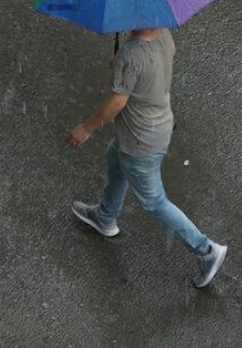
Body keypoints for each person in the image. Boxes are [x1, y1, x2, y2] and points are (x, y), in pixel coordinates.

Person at [66, 28, 227, 288]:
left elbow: (118, 102)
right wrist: (123, 66)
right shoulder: (163, 34)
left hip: (141, 139)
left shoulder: (130, 54)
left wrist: (86, 128)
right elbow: (161, 63)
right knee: (116, 159)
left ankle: (206, 250)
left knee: (154, 201)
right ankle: (105, 217)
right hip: (156, 125)